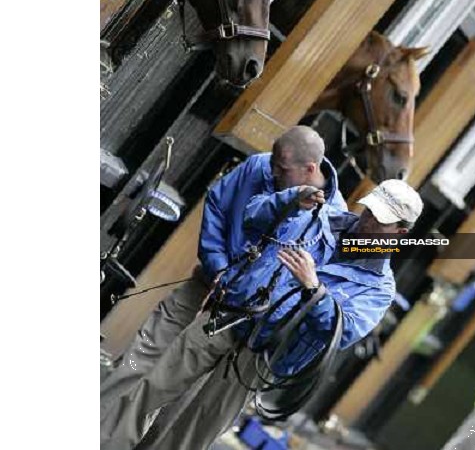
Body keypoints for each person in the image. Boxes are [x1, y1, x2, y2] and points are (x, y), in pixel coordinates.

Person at [116, 179, 424, 450]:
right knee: (151, 388)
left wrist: (314, 289)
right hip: (230, 314)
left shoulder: (379, 288)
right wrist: (288, 202)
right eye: (369, 211)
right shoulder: (320, 216)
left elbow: (342, 332)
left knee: (195, 431)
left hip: (264, 356)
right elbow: (252, 218)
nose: (367, 221)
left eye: (379, 221)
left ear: (401, 232)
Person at [100, 126, 346, 446]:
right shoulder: (259, 166)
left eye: (282, 168)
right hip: (204, 286)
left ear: (310, 169)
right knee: (140, 360)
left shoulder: (333, 217)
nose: (272, 169)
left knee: (179, 400)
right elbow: (216, 204)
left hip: (239, 318)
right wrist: (217, 263)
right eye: (273, 161)